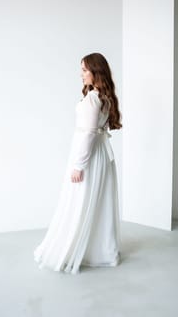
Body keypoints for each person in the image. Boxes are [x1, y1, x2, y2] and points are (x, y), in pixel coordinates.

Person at [33, 52, 122, 274]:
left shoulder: (93, 99)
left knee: (80, 200)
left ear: (95, 71)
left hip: (89, 155)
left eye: (84, 70)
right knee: (95, 201)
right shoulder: (104, 96)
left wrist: (79, 165)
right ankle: (97, 249)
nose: (81, 74)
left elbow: (90, 134)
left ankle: (78, 249)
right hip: (100, 153)